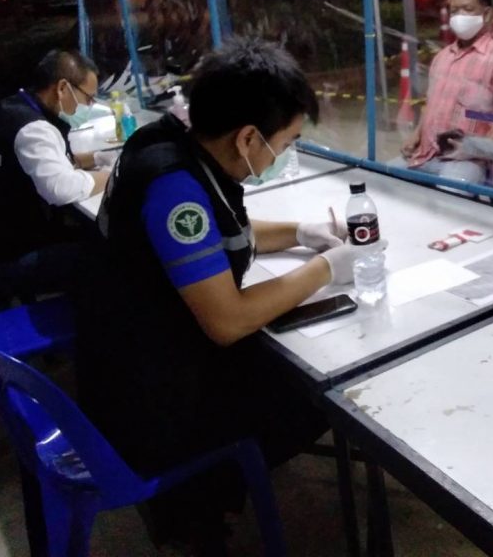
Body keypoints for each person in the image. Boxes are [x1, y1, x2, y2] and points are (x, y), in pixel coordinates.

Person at [77, 38, 362, 554]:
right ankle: (196, 505)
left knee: (285, 366)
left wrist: (300, 233)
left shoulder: (169, 144)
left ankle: (204, 497)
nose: (286, 154)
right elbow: (226, 321)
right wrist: (324, 269)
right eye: (288, 142)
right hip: (149, 399)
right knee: (319, 397)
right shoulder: (175, 190)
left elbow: (220, 231)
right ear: (249, 137)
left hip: (134, 354)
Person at [0, 49, 113, 306]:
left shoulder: (15, 107)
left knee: (94, 236)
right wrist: (111, 176)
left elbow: (47, 160)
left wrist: (96, 157)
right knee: (110, 256)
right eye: (88, 98)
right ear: (62, 88)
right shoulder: (33, 129)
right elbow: (61, 188)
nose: (89, 106)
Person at [394, 0, 493, 184]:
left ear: (487, 14)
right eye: (454, 11)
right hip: (424, 154)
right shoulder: (442, 58)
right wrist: (416, 135)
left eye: (467, 9)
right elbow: (432, 105)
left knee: (451, 194)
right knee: (383, 180)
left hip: (467, 162)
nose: (459, 16)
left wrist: (477, 148)